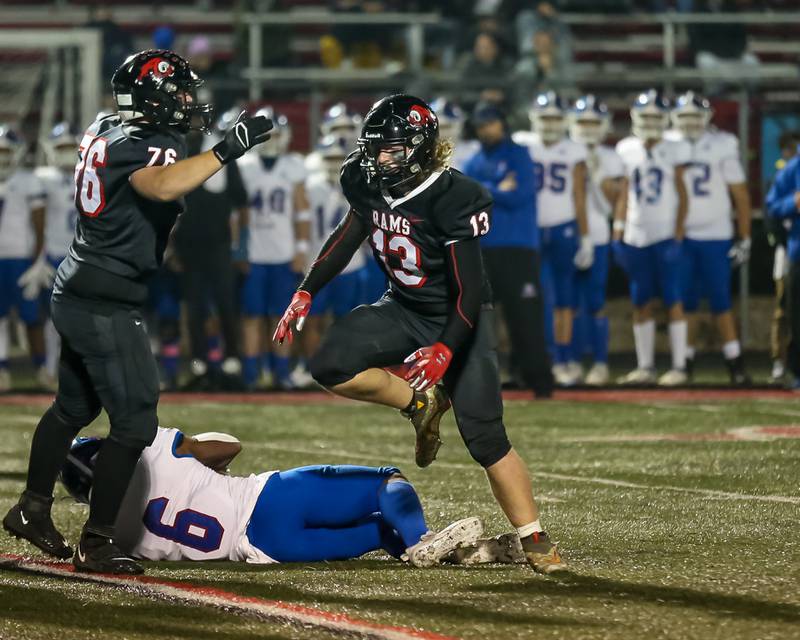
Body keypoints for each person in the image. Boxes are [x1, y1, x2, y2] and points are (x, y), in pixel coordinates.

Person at [2, 49, 272, 575]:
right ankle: (97, 542)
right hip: (107, 297)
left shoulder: (107, 125)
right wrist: (225, 151)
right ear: (152, 100)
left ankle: (32, 508)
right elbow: (158, 184)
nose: (189, 101)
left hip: (79, 284)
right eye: (179, 93)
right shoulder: (154, 145)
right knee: (135, 420)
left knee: (72, 408)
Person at [274, 95, 566, 574]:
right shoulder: (364, 177)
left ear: (418, 148)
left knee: (485, 437)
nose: (377, 158)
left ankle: (534, 537)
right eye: (373, 148)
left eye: (388, 149)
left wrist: (446, 350)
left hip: (459, 318)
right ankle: (419, 402)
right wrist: (306, 291)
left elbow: (469, 292)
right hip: (403, 307)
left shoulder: (454, 196)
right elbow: (351, 231)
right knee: (329, 363)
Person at [60, 426, 482, 566]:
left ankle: (465, 553)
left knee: (376, 533)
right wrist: (190, 453)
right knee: (386, 481)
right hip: (270, 500)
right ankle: (423, 539)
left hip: (266, 549)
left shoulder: (112, 537)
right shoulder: (152, 447)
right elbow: (230, 446)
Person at [463, 102, 554, 397]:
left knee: (525, 317)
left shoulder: (519, 154)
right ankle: (488, 380)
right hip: (483, 249)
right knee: (478, 320)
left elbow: (520, 195)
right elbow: (466, 199)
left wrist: (483, 189)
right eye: (481, 124)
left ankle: (539, 380)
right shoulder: (475, 160)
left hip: (518, 248)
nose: (486, 129)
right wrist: (497, 187)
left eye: (491, 123)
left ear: (503, 123)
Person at [668, 91, 752, 385]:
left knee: (721, 302)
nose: (690, 123)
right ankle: (684, 361)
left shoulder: (721, 144)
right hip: (682, 235)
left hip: (716, 235)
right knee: (685, 302)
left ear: (706, 118)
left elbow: (740, 194)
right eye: (685, 117)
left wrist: (745, 236)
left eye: (695, 116)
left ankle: (735, 363)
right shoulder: (668, 144)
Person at [514, 92, 591, 387]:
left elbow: (579, 196)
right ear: (535, 117)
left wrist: (585, 237)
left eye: (556, 117)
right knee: (541, 298)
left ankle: (565, 357)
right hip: (532, 231)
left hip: (564, 228)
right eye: (545, 117)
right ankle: (547, 357)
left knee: (565, 298)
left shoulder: (574, 150)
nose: (550, 123)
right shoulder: (523, 145)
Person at [614, 89, 690, 386]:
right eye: (645, 116)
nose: (650, 121)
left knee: (674, 299)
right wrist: (618, 230)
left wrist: (679, 233)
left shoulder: (675, 148)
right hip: (635, 235)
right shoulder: (626, 148)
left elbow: (683, 195)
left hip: (665, 232)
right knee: (640, 300)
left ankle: (680, 366)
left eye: (656, 116)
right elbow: (623, 192)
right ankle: (645, 366)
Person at [173, 109, 250, 390]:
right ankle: (199, 363)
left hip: (219, 243)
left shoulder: (223, 154)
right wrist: (170, 246)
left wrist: (242, 247)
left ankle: (231, 361)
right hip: (188, 244)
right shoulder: (176, 150)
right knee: (194, 307)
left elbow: (241, 203)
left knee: (225, 304)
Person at [237, 107, 311, 390]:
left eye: (276, 134)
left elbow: (302, 212)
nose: (271, 140)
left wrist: (301, 250)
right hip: (254, 254)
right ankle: (252, 375)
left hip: (282, 253)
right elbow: (237, 213)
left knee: (281, 317)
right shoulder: (245, 165)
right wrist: (239, 250)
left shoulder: (293, 166)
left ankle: (280, 374)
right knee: (252, 317)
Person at [294, 135, 368, 387]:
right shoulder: (310, 185)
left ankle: (342, 366)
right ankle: (312, 365)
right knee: (312, 320)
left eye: (339, 157)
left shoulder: (357, 183)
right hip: (319, 261)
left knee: (346, 321)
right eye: (330, 157)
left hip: (352, 262)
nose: (335, 162)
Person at [568, 95, 625, 386]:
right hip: (569, 234)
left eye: (593, 122)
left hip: (599, 233)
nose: (588, 129)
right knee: (570, 303)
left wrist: (598, 175)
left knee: (596, 302)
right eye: (583, 122)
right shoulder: (565, 151)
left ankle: (601, 363)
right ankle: (573, 362)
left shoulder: (612, 156)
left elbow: (614, 201)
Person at [0, 125, 50, 393]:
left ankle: (42, 369)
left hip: (21, 258)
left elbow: (39, 224)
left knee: (32, 319)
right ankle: (2, 370)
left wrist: (38, 259)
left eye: (5, 151)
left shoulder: (28, 180)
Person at [36, 123, 82, 389]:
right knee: (54, 321)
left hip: (82, 256)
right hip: (55, 256)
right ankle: (52, 370)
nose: (66, 152)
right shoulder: (44, 178)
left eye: (69, 146)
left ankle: (78, 376)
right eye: (61, 147)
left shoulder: (88, 172)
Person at [766, 141, 800, 389]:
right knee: (794, 313)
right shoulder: (792, 169)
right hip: (797, 251)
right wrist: (794, 203)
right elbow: (773, 206)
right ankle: (794, 370)